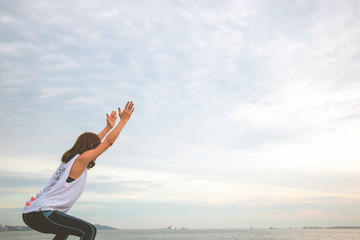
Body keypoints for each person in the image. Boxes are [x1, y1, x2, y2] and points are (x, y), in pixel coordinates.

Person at [22, 101, 135, 240]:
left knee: (64, 232)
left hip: (31, 212)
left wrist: (107, 127)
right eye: (94, 149)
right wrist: (124, 120)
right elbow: (108, 143)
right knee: (89, 230)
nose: (96, 154)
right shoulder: (80, 161)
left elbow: (95, 143)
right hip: (42, 212)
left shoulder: (70, 160)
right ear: (90, 149)